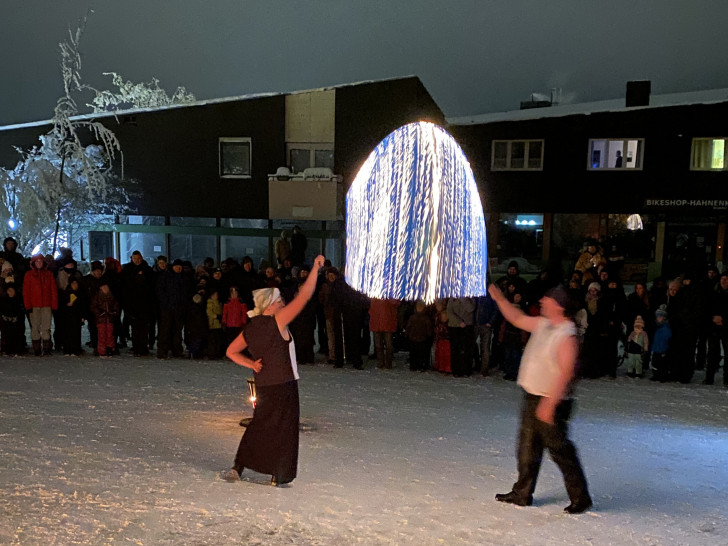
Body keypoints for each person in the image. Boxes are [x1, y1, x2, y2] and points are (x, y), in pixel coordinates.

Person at [488, 283, 592, 514]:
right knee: (527, 448)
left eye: (547, 300)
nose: (542, 302)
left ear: (558, 305)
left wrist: (549, 404)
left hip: (551, 402)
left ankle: (580, 497)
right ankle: (522, 493)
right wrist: (500, 299)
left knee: (560, 451)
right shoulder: (545, 324)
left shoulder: (567, 335)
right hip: (533, 396)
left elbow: (566, 373)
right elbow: (517, 318)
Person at [222, 254, 325, 486]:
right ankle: (279, 473)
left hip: (264, 384)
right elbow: (305, 296)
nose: (283, 304)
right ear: (271, 305)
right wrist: (316, 268)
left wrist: (252, 364)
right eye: (279, 301)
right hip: (284, 384)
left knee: (260, 425)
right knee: (285, 431)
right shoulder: (277, 320)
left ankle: (239, 466)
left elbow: (231, 351)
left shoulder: (252, 327)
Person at [23, 254, 58, 356]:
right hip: (34, 305)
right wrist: (28, 306)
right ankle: (37, 349)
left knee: (46, 327)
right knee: (35, 327)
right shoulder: (28, 275)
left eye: (40, 261)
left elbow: (53, 291)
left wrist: (54, 305)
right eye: (37, 261)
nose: (39, 263)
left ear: (43, 263)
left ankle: (46, 349)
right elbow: (26, 292)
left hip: (46, 305)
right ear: (33, 263)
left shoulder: (49, 274)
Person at [405, 301, 434, 371]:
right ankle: (415, 365)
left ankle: (419, 365)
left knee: (420, 353)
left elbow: (428, 328)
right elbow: (408, 327)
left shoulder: (425, 318)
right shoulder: (413, 317)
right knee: (414, 353)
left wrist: (429, 335)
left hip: (421, 338)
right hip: (415, 338)